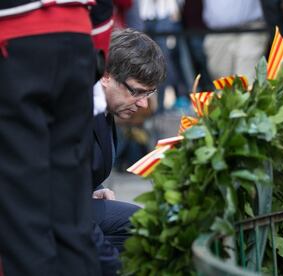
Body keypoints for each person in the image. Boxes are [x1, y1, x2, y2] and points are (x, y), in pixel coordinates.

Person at [0, 1, 101, 275]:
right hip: (78, 32)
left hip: (13, 34)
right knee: (72, 214)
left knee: (23, 216)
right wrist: (98, 44)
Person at [91, 28, 166, 253]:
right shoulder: (77, 111)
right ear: (106, 76)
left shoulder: (103, 107)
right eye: (137, 92)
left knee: (142, 225)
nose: (143, 104)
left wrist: (92, 186)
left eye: (149, 94)